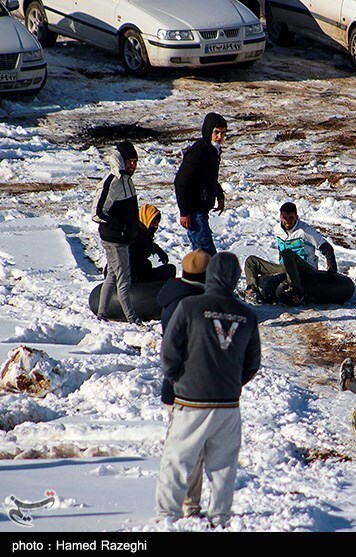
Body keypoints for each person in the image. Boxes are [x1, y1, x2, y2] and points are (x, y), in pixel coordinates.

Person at [155, 252, 261, 528]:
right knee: (224, 464)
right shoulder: (247, 315)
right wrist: (231, 383)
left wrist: (179, 381)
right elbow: (252, 364)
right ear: (236, 277)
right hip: (228, 403)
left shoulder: (189, 307)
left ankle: (168, 514)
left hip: (191, 399)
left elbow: (169, 352)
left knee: (178, 459)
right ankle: (220, 516)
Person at [155, 248, 211, 519]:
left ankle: (170, 500)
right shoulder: (195, 306)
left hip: (172, 387)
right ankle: (188, 505)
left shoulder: (172, 298)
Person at [243, 201, 337, 305]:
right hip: (286, 267)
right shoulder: (277, 229)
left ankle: (296, 291)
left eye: (291, 218)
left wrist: (332, 273)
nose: (287, 222)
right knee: (251, 261)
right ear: (280, 216)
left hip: (306, 268)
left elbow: (327, 248)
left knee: (287, 253)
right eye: (285, 218)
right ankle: (252, 291)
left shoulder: (305, 231)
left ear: (296, 217)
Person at [92, 141, 141, 325]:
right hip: (114, 239)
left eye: (135, 161)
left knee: (112, 276)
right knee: (123, 279)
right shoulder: (112, 182)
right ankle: (132, 317)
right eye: (129, 161)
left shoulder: (127, 180)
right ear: (121, 161)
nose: (133, 165)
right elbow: (96, 213)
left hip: (123, 237)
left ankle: (102, 313)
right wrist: (120, 227)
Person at [174, 112, 227, 256]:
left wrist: (219, 195)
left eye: (223, 133)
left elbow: (209, 177)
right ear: (208, 131)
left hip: (201, 207)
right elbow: (180, 182)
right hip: (193, 209)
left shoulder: (213, 150)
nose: (220, 137)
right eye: (216, 132)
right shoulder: (198, 152)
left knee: (202, 251)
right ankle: (211, 277)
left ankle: (203, 277)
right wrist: (184, 211)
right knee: (205, 251)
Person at [129, 204, 176, 283]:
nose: (156, 226)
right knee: (169, 270)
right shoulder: (135, 237)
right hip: (134, 280)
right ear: (146, 219)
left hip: (138, 274)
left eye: (157, 222)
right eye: (153, 222)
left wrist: (159, 251)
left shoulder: (142, 232)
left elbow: (148, 243)